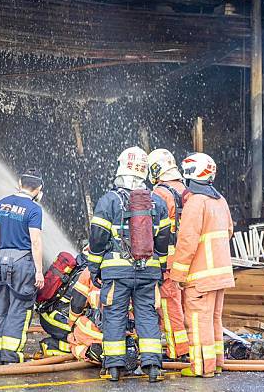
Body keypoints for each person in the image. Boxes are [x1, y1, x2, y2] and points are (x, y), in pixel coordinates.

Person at [87, 146, 170, 382]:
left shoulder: (109, 201)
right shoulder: (158, 203)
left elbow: (97, 237)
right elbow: (164, 240)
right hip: (148, 272)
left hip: (116, 272)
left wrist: (94, 267)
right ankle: (153, 366)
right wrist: (160, 268)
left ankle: (114, 368)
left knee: (114, 316)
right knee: (147, 316)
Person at [169, 153, 234, 378]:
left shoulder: (196, 203)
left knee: (197, 322)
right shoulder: (220, 200)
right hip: (221, 274)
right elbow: (229, 231)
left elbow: (187, 242)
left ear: (189, 175)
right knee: (214, 319)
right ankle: (216, 363)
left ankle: (200, 367)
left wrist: (177, 275)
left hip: (200, 277)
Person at [0, 169, 45, 364]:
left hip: (2, 260)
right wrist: (39, 270)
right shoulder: (34, 209)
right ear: (38, 189)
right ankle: (11, 356)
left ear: (19, 183)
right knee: (19, 308)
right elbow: (35, 241)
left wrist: (0, 258)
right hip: (23, 263)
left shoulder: (1, 204)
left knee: (1, 307)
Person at [146, 148, 189, 360]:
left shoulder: (159, 194)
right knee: (186, 305)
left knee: (169, 304)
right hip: (188, 259)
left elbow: (154, 230)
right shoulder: (187, 191)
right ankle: (192, 347)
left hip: (168, 260)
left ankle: (178, 351)